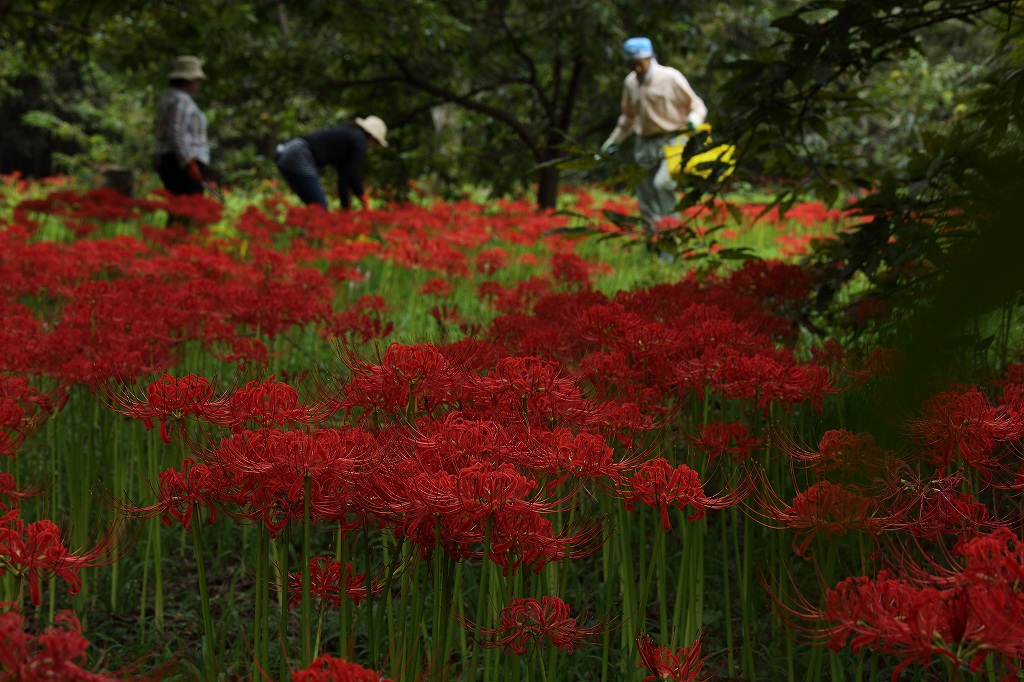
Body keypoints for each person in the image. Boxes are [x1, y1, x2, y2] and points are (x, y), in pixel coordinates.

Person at [601, 37, 707, 232]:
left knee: (662, 183)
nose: (636, 69)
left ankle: (672, 235)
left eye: (639, 63)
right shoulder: (630, 83)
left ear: (650, 57)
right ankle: (654, 242)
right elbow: (628, 117)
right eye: (631, 64)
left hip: (673, 139)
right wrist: (613, 141)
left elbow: (697, 105)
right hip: (644, 143)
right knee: (646, 193)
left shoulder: (670, 77)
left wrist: (694, 120)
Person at [274, 117, 389, 210]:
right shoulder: (359, 140)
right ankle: (305, 238)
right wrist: (364, 200)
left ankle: (307, 237)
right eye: (376, 143)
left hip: (289, 150)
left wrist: (346, 208)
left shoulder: (352, 135)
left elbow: (344, 177)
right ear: (372, 138)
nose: (373, 147)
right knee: (320, 210)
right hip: (299, 154)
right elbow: (353, 176)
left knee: (316, 208)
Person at [155, 55, 210, 196]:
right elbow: (177, 133)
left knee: (177, 208)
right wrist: (189, 163)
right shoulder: (181, 100)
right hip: (183, 162)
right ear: (189, 81)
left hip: (170, 159)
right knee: (188, 209)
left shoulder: (168, 97)